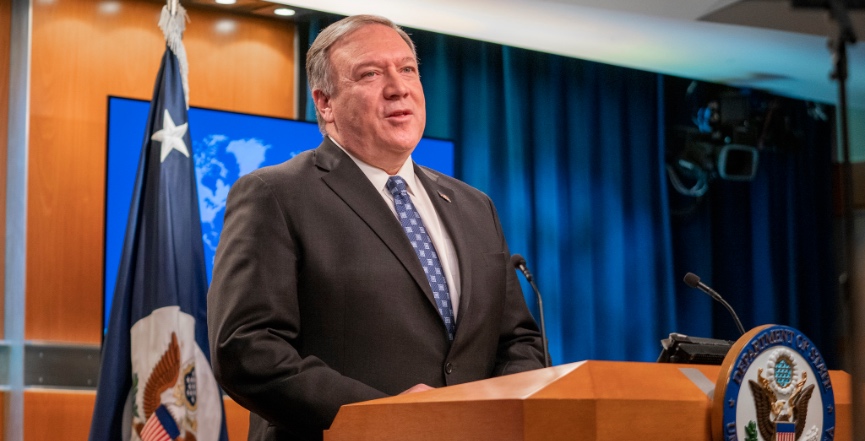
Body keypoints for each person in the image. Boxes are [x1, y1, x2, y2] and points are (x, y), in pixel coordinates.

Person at [207, 14, 545, 441]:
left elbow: (519, 341)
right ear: (325, 103)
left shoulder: (475, 206)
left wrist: (492, 410)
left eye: (407, 69)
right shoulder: (275, 194)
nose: (398, 87)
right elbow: (246, 348)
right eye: (370, 73)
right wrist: (383, 415)